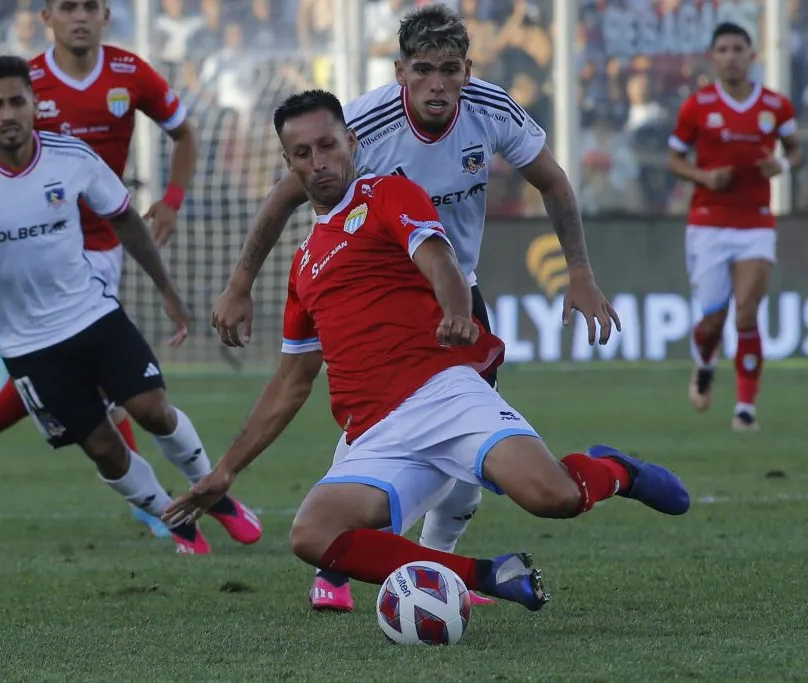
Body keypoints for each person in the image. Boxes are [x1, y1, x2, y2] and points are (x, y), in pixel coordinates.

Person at [162, 90, 690, 611]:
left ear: (352, 141)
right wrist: (226, 470)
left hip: (443, 394)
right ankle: (487, 574)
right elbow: (291, 382)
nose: (319, 163)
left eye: (328, 146)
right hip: (375, 434)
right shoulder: (304, 265)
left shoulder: (388, 195)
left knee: (554, 498)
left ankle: (618, 471)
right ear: (289, 163)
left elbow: (439, 260)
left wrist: (458, 311)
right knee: (312, 534)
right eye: (303, 154)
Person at [209, 3, 620, 612]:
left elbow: (553, 182)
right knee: (370, 420)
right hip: (380, 280)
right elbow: (286, 196)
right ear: (400, 71)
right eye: (422, 70)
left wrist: (580, 272)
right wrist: (241, 282)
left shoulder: (492, 109)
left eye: (449, 70)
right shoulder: (361, 126)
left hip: (457, 290)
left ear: (467, 70)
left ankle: (438, 572)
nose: (437, 84)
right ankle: (355, 566)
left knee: (464, 466)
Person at [0, 55, 257, 554]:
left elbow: (126, 220)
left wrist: (168, 291)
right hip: (26, 345)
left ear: (35, 107)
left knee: (154, 410)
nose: (8, 114)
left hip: (92, 315)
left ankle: (217, 496)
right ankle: (172, 517)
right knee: (104, 448)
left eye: (17, 102)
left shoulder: (72, 157)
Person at [667, 22, 802, 432]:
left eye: (738, 49)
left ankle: (746, 409)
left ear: (752, 55)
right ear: (713, 57)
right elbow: (673, 159)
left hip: (756, 221)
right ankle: (706, 362)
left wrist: (781, 164)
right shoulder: (697, 106)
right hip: (708, 223)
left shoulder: (776, 106)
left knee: (746, 314)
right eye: (723, 49)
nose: (731, 56)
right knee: (712, 319)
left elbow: (795, 151)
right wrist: (704, 178)